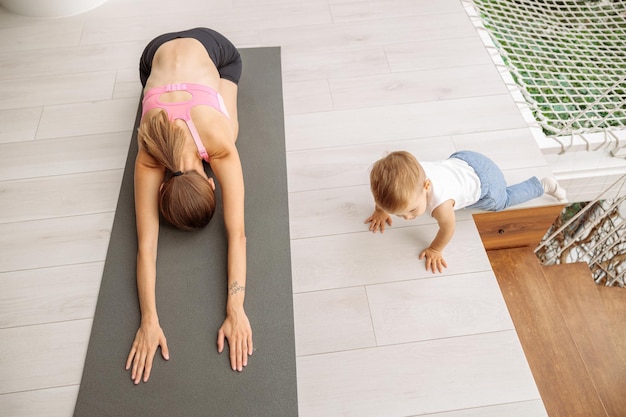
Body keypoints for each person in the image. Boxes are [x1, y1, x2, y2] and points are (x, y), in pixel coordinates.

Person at [125, 28, 252, 385]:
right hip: (167, 51)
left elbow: (147, 248)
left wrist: (235, 308)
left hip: (185, 51)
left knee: (232, 126)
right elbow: (237, 234)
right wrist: (148, 319)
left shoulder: (210, 145)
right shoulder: (153, 153)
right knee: (230, 126)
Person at [365, 150, 566, 273]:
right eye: (399, 214)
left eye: (411, 210)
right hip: (467, 158)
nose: (407, 218)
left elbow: (448, 229)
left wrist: (435, 249)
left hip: (488, 185)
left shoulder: (440, 206)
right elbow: (381, 197)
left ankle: (542, 186)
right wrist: (381, 211)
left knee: (502, 201)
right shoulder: (414, 172)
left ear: (427, 187)